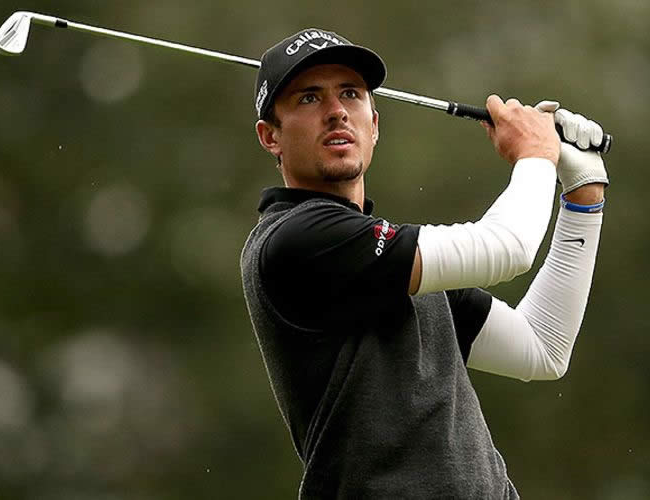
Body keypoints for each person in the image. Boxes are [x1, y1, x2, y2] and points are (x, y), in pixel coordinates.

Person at [240, 28, 609, 499]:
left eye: (350, 94)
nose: (336, 112)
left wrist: (583, 197)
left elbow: (542, 348)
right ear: (270, 136)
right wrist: (536, 155)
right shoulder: (295, 240)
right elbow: (509, 248)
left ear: (373, 123)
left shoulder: (395, 259)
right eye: (309, 98)